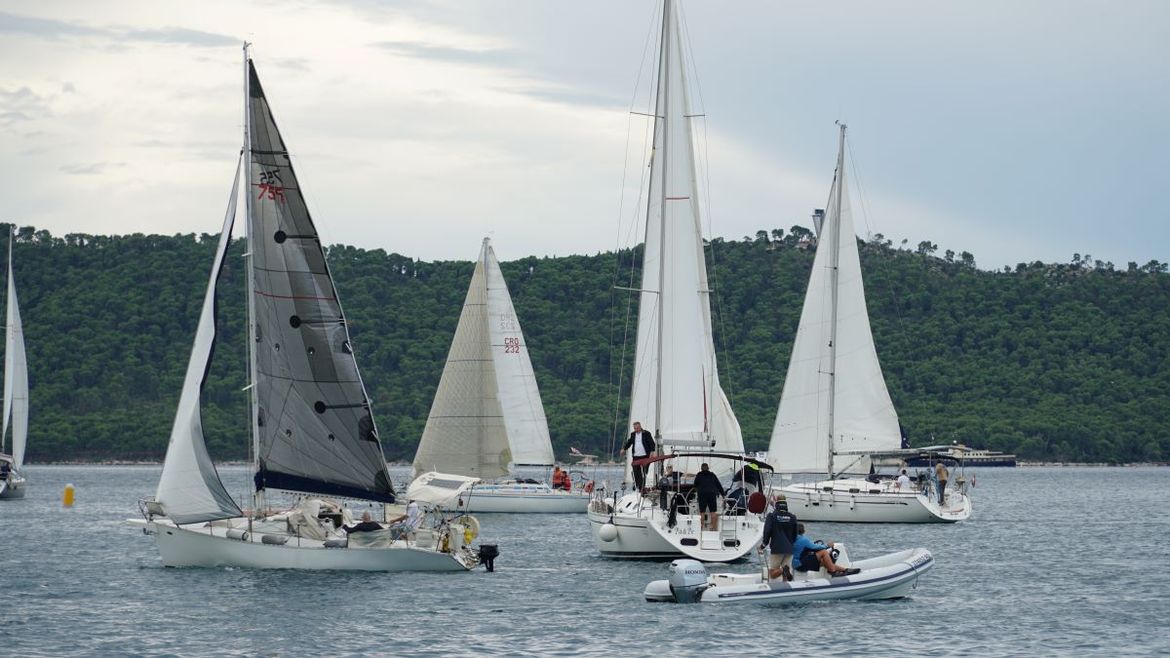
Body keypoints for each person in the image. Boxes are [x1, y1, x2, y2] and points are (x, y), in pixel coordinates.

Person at [793, 522, 858, 577]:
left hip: (797, 564)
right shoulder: (803, 539)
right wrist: (827, 546)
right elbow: (814, 547)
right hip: (801, 564)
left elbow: (808, 547)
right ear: (803, 531)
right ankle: (833, 572)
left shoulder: (794, 538)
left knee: (824, 561)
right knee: (823, 552)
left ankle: (845, 570)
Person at [758, 496, 798, 581]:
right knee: (785, 575)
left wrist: (763, 545)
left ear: (777, 503)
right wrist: (791, 544)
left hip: (777, 548)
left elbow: (767, 531)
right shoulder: (792, 517)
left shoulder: (772, 516)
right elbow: (795, 534)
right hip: (789, 549)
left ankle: (783, 570)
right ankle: (786, 586)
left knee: (772, 573)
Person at [620, 421, 655, 491]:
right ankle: (639, 486)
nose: (636, 430)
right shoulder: (633, 434)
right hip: (636, 456)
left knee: (644, 471)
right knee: (636, 471)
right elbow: (629, 442)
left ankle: (642, 487)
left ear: (640, 427)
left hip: (645, 456)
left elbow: (651, 443)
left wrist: (652, 451)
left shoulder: (646, 433)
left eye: (637, 428)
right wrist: (624, 449)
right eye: (635, 428)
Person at [692, 462, 725, 531]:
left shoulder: (699, 475)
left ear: (701, 469)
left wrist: (698, 490)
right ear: (708, 468)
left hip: (702, 494)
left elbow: (695, 486)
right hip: (712, 494)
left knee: (702, 512)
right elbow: (719, 485)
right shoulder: (712, 475)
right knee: (713, 512)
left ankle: (700, 528)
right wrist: (723, 495)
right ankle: (713, 528)